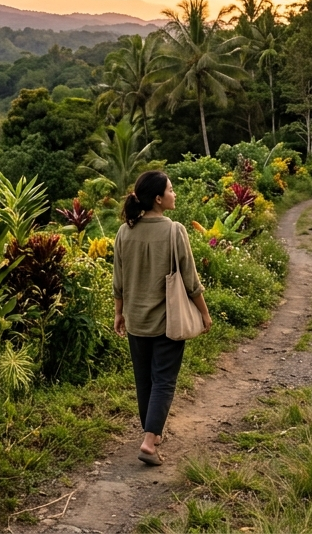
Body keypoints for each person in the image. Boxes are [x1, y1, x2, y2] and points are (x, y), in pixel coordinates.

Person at [112, 170, 212, 466]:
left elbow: (117, 280)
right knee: (164, 380)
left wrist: (119, 313)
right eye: (170, 190)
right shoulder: (173, 231)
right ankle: (149, 441)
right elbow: (191, 281)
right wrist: (204, 313)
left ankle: (151, 434)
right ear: (158, 198)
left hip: (136, 320)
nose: (174, 194)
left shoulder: (124, 231)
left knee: (144, 381)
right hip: (167, 321)